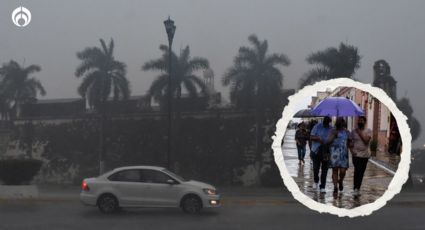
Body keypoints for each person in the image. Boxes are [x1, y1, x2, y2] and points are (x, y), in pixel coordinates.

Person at [327, 117, 351, 195]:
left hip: (344, 154)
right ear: (336, 123)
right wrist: (334, 135)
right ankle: (335, 187)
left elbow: (350, 142)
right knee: (335, 171)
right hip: (334, 154)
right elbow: (328, 141)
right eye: (338, 121)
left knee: (343, 171)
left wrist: (351, 141)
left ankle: (340, 181)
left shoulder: (347, 132)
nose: (340, 123)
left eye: (341, 121)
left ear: (344, 123)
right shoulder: (333, 131)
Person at [349, 116, 372, 196]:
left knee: (361, 172)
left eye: (361, 121)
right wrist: (351, 151)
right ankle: (355, 188)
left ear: (364, 122)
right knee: (357, 171)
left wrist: (359, 133)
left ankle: (357, 188)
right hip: (356, 155)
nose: (359, 122)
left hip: (365, 155)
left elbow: (366, 141)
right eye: (358, 121)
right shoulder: (353, 132)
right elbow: (349, 142)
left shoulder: (368, 131)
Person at [310, 116, 333, 193]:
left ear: (330, 121)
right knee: (316, 168)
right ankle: (316, 181)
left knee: (325, 170)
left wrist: (329, 141)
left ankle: (322, 186)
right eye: (326, 120)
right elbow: (311, 137)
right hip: (316, 150)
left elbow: (333, 140)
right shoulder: (317, 126)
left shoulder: (331, 129)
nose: (327, 123)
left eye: (328, 121)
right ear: (324, 120)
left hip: (326, 152)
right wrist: (318, 138)